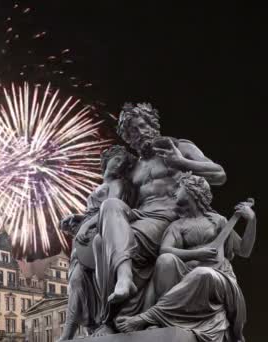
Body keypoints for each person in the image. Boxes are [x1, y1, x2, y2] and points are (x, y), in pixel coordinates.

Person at [92, 103, 226, 335]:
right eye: (132, 132)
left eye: (142, 126)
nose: (139, 133)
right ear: (128, 140)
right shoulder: (133, 168)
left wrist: (182, 163)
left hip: (170, 218)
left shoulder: (180, 147)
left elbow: (219, 175)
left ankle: (123, 309)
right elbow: (113, 195)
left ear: (153, 125)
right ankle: (119, 292)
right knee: (102, 231)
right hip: (140, 217)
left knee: (117, 241)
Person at [115, 173, 255, 342]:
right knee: (166, 260)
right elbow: (165, 250)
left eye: (179, 187)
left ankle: (147, 317)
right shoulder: (178, 225)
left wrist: (251, 220)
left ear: (192, 191)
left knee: (203, 274)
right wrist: (196, 254)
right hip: (188, 273)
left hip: (218, 278)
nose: (174, 192)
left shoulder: (218, 221)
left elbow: (244, 251)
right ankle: (162, 319)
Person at [58, 145, 136, 340]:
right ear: (106, 161)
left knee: (87, 277)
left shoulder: (118, 183)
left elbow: (109, 207)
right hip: (84, 239)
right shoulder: (100, 186)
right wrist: (77, 218)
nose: (119, 165)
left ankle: (104, 319)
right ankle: (69, 332)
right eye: (117, 159)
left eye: (123, 163)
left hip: (99, 231)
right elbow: (93, 211)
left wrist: (85, 225)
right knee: (75, 281)